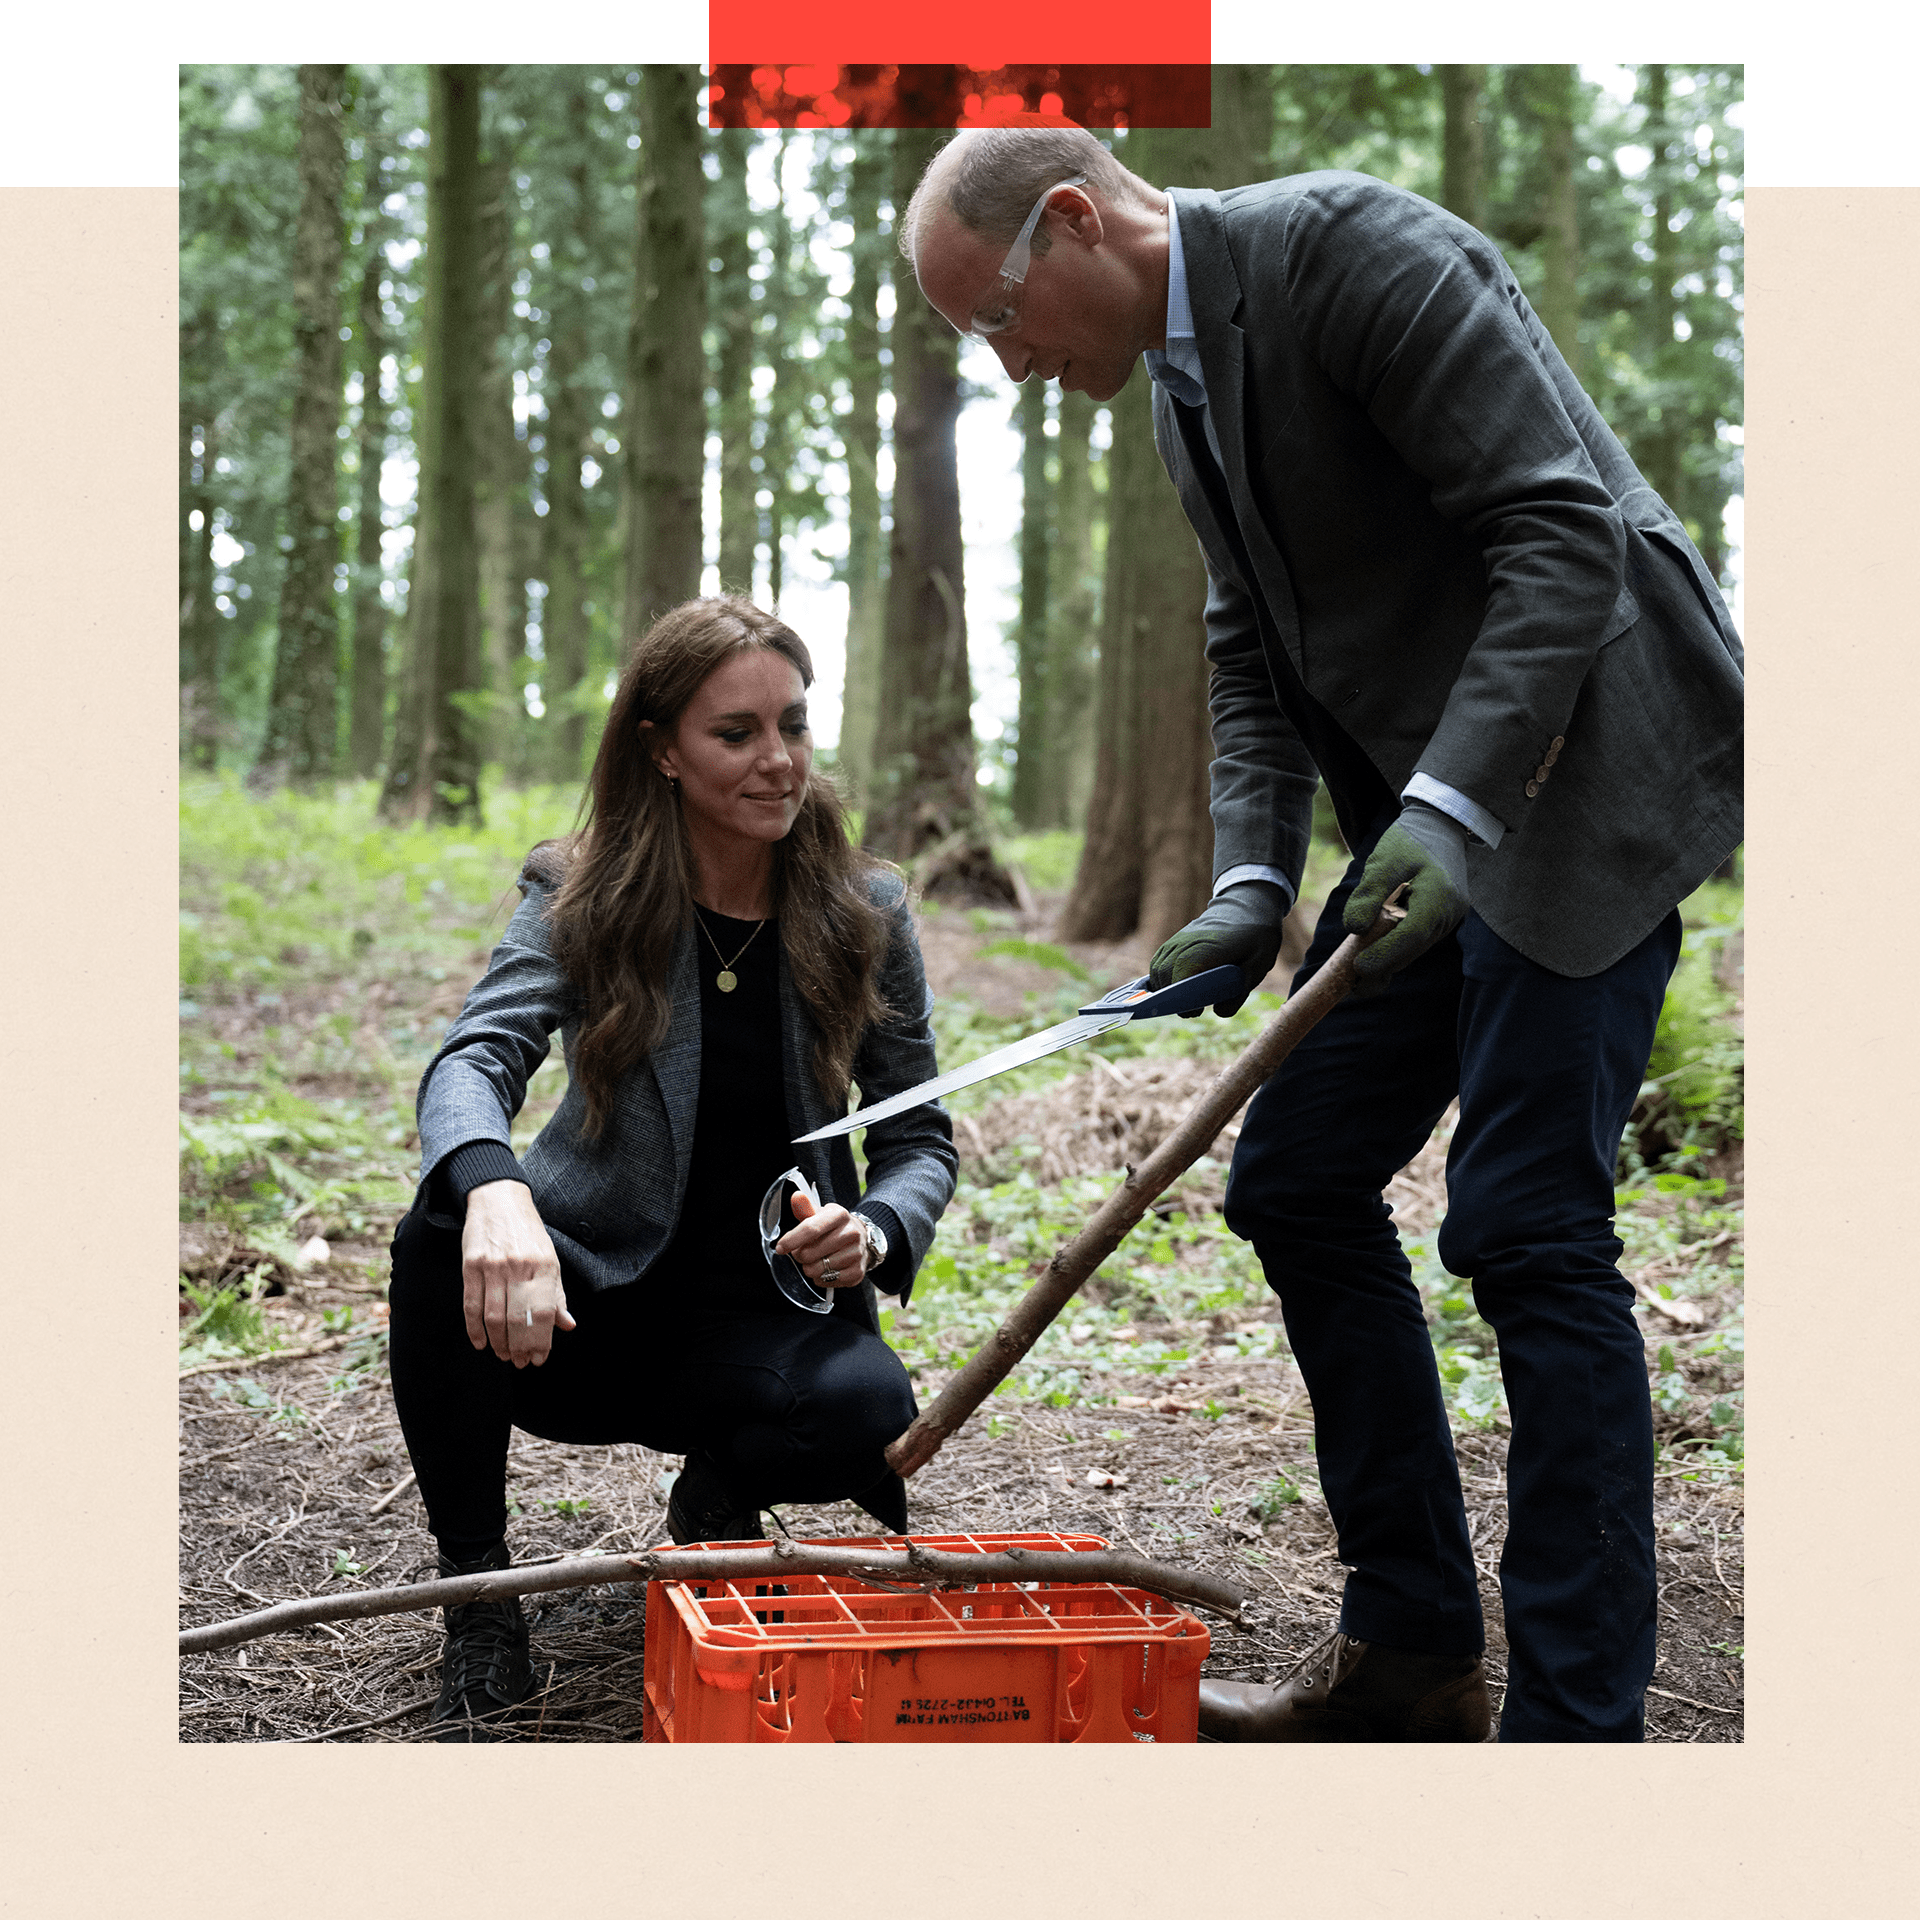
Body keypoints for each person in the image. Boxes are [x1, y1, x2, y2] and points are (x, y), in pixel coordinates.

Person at [904, 128, 1742, 1742]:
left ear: (1075, 221)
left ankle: (1580, 1729)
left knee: (1524, 1232)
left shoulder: (1360, 253)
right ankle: (1414, 1647)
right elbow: (1249, 641)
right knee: (1295, 1182)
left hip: (1590, 772)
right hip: (1438, 816)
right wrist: (1244, 882)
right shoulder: (1180, 382)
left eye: (1000, 322)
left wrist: (1451, 809)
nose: (1009, 368)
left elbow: (1559, 534)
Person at [387, 596, 957, 1740]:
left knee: (865, 1406)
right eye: (735, 733)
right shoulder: (584, 889)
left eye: (793, 725)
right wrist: (495, 1188)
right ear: (661, 750)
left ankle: (716, 1501)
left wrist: (878, 1230)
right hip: (588, 1304)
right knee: (439, 1233)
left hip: (769, 1321)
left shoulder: (863, 907)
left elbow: (917, 1140)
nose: (778, 760)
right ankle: (478, 1600)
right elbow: (473, 1061)